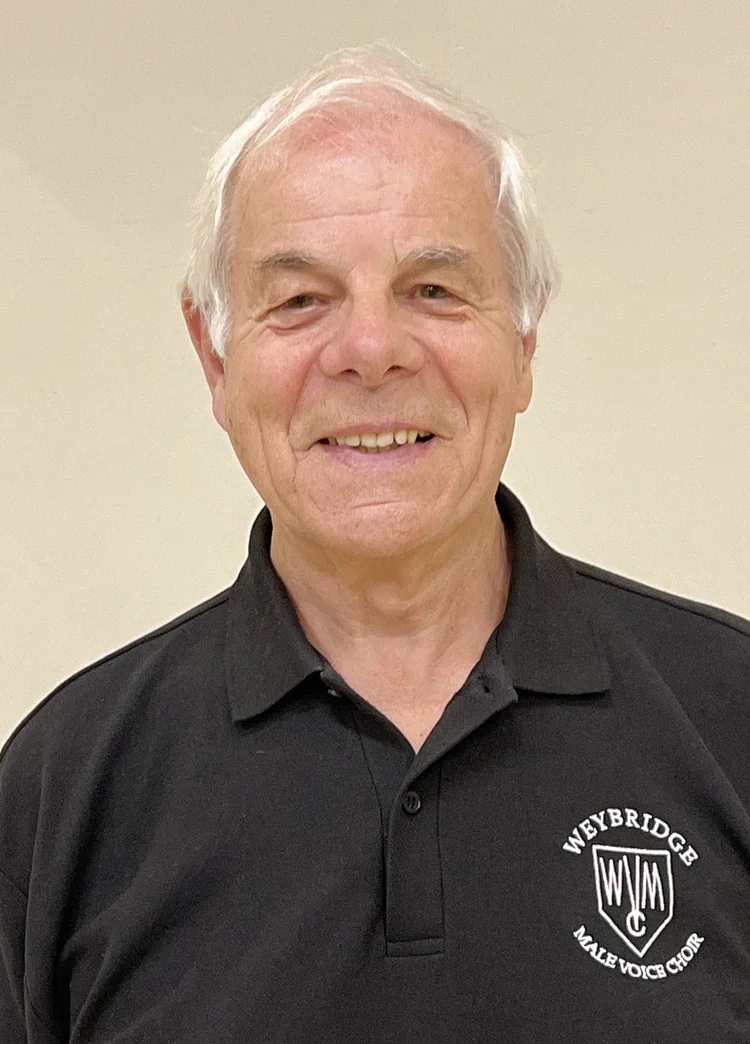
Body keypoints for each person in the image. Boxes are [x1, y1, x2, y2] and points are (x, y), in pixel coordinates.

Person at [1, 45, 749, 1044]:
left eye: (434, 291)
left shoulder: (732, 717)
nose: (371, 351)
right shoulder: (65, 788)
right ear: (213, 354)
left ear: (524, 342)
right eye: (301, 301)